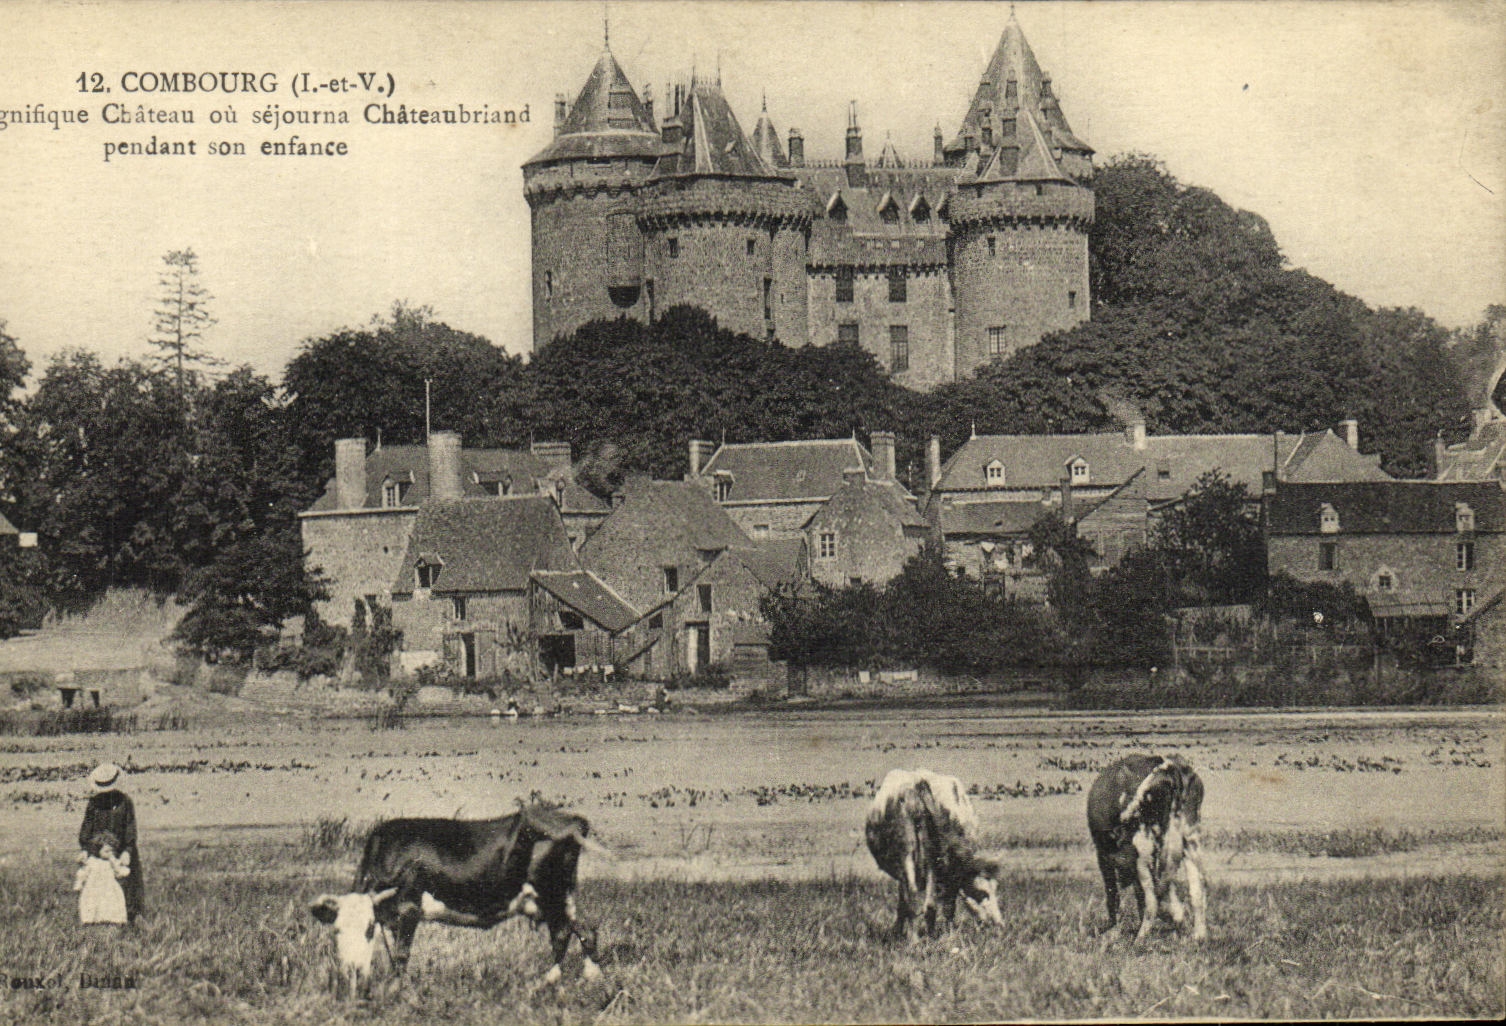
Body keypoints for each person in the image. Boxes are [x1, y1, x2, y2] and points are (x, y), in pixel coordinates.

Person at [79, 763, 145, 924]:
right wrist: (92, 849)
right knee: (97, 886)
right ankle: (99, 916)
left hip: (121, 850)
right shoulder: (93, 804)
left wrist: (127, 851)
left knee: (128, 879)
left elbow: (130, 829)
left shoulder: (125, 802)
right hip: (99, 852)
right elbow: (86, 832)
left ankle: (132, 914)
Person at [73, 830, 130, 925]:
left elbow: (118, 871)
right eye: (107, 851)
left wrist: (119, 866)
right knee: (92, 902)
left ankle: (112, 920)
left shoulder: (111, 861)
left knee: (111, 902)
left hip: (109, 887)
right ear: (97, 850)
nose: (110, 853)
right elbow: (83, 873)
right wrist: (79, 883)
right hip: (94, 887)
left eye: (112, 851)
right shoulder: (92, 861)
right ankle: (90, 920)